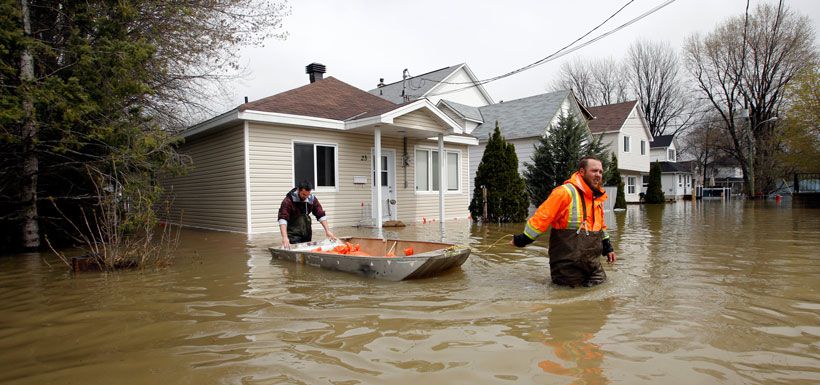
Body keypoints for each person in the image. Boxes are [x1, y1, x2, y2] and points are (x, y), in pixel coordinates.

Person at [512, 156, 617, 287]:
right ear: (582, 172)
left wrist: (607, 247)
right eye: (594, 171)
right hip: (566, 264)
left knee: (603, 294)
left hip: (592, 263)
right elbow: (543, 217)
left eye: (600, 172)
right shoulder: (564, 192)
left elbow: (600, 225)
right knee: (567, 298)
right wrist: (523, 239)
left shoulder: (597, 197)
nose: (598, 175)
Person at [278, 180, 336, 248]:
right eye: (303, 194)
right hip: (293, 235)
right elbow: (283, 219)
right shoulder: (288, 201)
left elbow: (320, 214)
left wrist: (327, 231)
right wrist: (285, 237)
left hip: (306, 234)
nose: (306, 197)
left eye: (308, 194)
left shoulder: (311, 199)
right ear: (298, 190)